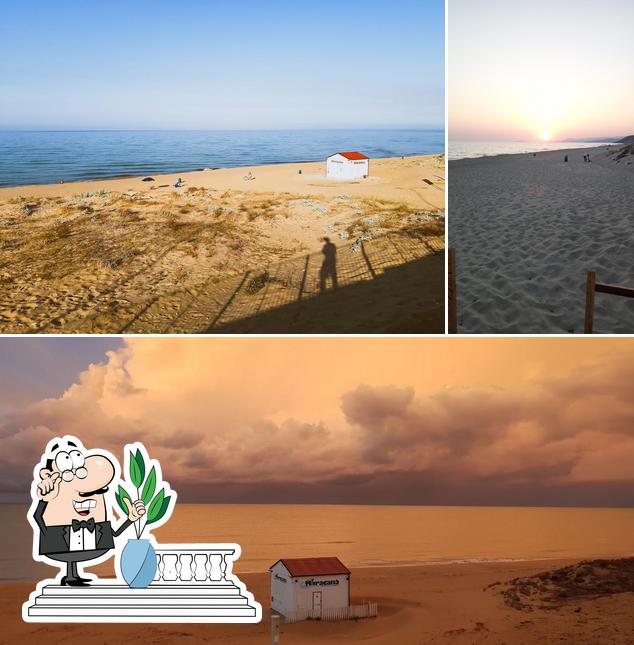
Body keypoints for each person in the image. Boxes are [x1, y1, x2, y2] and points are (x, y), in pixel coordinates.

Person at [31, 438, 145, 586]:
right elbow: (36, 515)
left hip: (88, 537)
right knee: (69, 554)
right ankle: (70, 576)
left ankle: (73, 575)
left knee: (74, 554)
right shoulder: (52, 492)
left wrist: (131, 518)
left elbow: (114, 533)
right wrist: (48, 534)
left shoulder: (96, 507)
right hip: (60, 536)